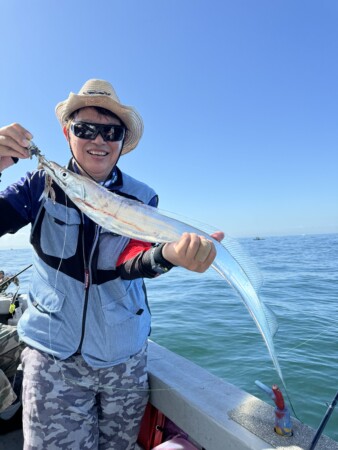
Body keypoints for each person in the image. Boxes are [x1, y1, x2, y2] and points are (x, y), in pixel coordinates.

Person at [0, 79, 224, 450]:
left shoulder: (142, 196)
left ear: (122, 141)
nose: (99, 140)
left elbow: (132, 261)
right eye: (85, 129)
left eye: (111, 132)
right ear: (66, 132)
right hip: (55, 359)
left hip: (125, 359)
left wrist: (170, 256)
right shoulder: (40, 183)